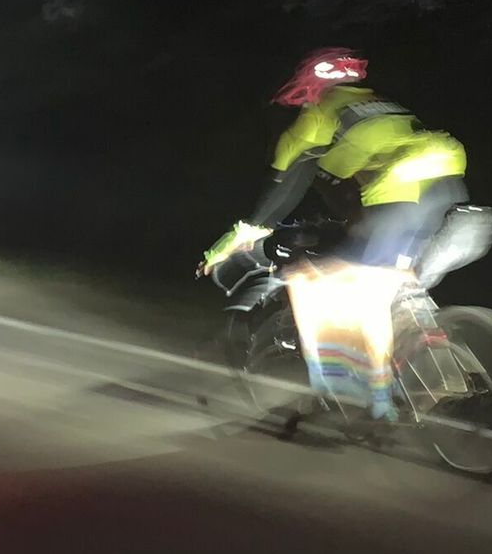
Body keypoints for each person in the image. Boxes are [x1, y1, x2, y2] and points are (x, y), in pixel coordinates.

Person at [199, 48, 469, 423]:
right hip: (449, 187)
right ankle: (434, 361)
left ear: (306, 88)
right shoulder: (380, 108)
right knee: (390, 283)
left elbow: (283, 188)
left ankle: (368, 399)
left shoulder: (318, 115)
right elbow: (354, 196)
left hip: (399, 193)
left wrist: (234, 240)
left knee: (310, 281)